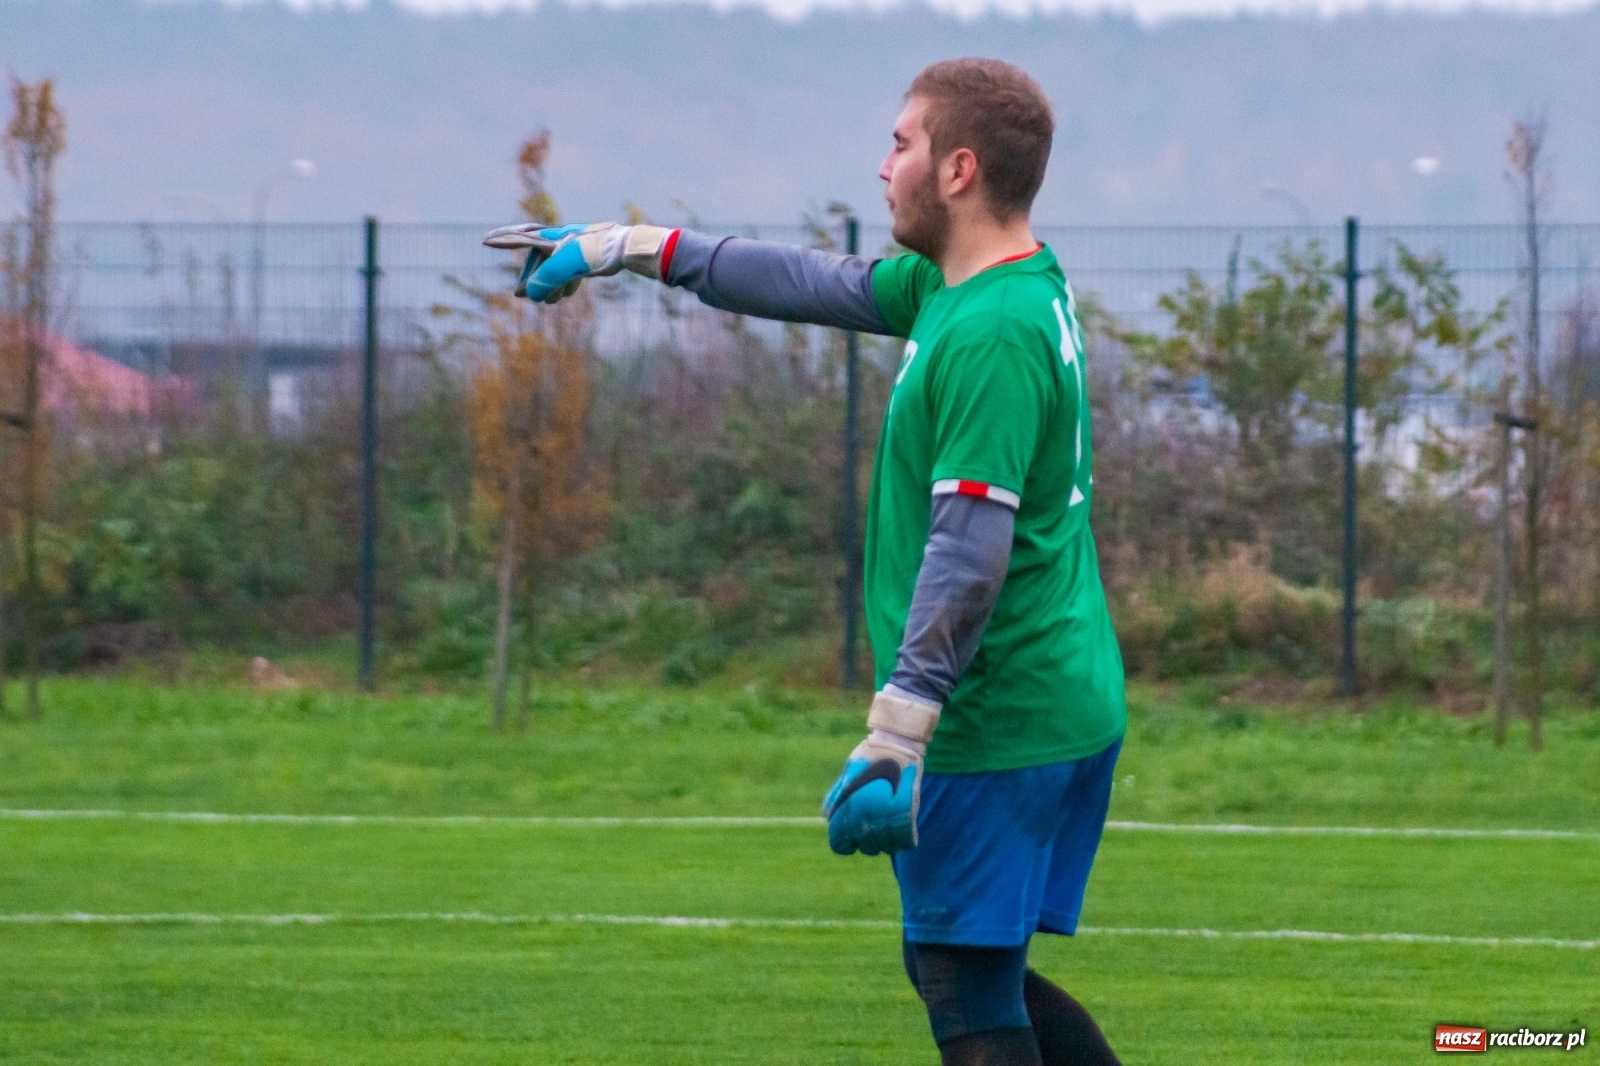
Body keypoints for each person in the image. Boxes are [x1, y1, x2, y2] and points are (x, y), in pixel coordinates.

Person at [485, 56, 1127, 1066]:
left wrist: (899, 727)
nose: (883, 166)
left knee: (963, 978)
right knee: (974, 970)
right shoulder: (975, 288)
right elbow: (808, 281)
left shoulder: (991, 333)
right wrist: (631, 246)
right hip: (1049, 693)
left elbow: (968, 549)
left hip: (1001, 713)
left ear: (958, 170)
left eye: (901, 143)